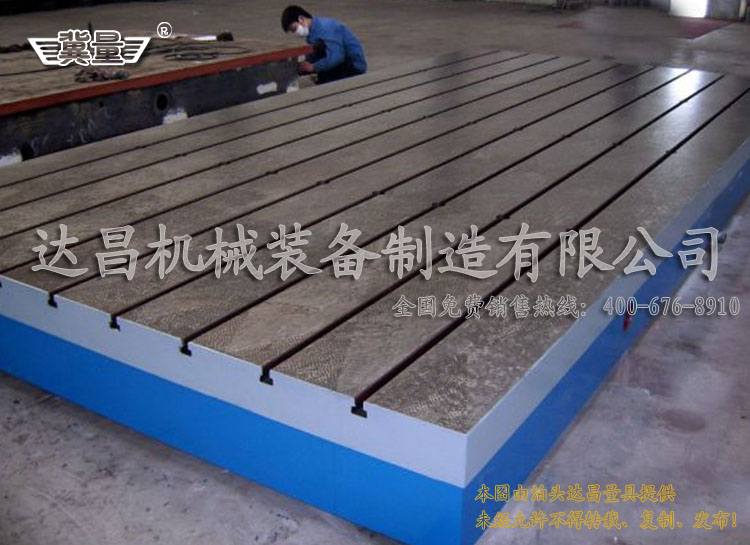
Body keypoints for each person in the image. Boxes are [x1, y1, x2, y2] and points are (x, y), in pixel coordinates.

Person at [281, 5, 367, 85]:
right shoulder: (312, 32)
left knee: (324, 82)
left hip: (354, 66)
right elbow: (316, 53)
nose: (295, 33)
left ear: (301, 19)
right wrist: (306, 62)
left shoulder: (325, 28)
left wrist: (313, 67)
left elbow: (337, 56)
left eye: (294, 29)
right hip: (342, 60)